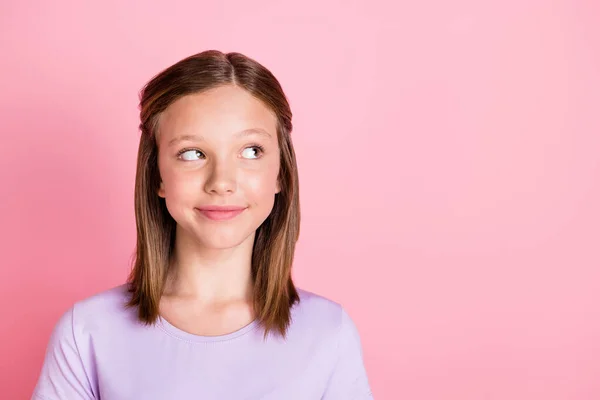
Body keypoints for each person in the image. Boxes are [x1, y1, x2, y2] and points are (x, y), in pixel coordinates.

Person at [31, 50, 373, 399]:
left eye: (251, 151)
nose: (221, 181)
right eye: (192, 153)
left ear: (280, 173)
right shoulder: (87, 333)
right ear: (157, 176)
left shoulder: (329, 334)